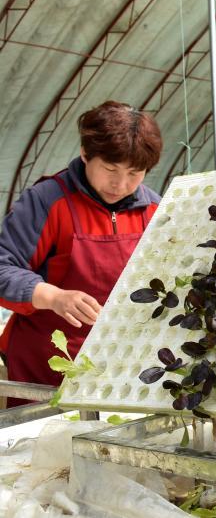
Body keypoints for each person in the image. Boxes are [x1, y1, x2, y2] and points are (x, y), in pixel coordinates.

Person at [0, 102, 162, 406]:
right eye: (110, 169)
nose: (121, 184)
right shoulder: (47, 200)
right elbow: (3, 267)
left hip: (121, 365)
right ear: (86, 154)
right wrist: (54, 297)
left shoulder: (153, 209)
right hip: (46, 364)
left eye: (134, 173)